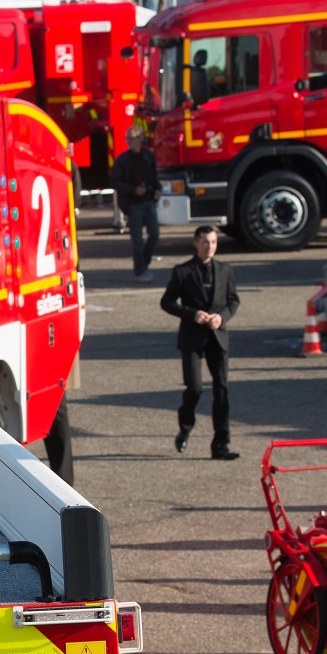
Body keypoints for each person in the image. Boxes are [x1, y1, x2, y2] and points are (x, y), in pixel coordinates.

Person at [160, 224, 240, 460]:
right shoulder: (183, 271)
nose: (209, 247)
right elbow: (167, 302)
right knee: (194, 389)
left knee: (222, 389)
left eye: (213, 242)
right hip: (192, 338)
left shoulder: (225, 270)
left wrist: (221, 316)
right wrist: (191, 313)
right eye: (205, 242)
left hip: (218, 336)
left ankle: (220, 444)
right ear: (196, 243)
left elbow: (233, 301)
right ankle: (185, 427)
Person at [110, 126, 161, 283]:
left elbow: (155, 175)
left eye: (132, 138)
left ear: (140, 139)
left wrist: (157, 189)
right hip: (133, 204)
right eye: (127, 139)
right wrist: (133, 190)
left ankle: (144, 264)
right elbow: (114, 181)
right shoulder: (123, 160)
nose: (129, 142)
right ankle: (139, 271)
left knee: (154, 233)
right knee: (137, 240)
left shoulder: (148, 156)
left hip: (148, 200)